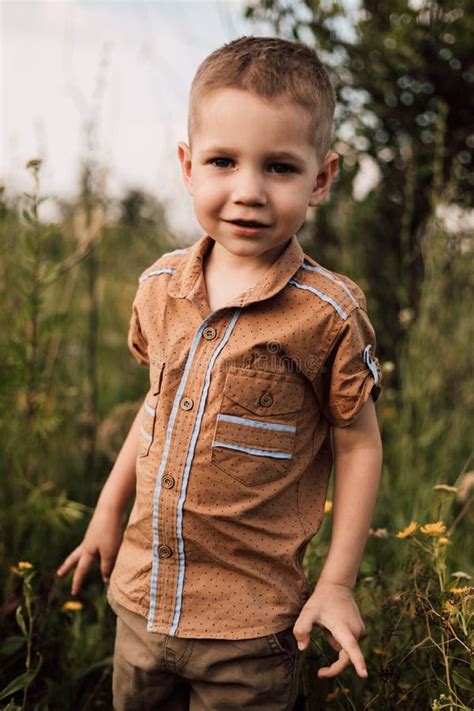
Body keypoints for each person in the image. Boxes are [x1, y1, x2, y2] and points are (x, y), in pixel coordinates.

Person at [56, 35, 383, 710]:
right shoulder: (159, 288)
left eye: (280, 168)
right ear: (188, 164)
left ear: (322, 177)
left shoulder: (328, 315)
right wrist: (104, 514)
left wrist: (338, 582)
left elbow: (358, 443)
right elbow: (156, 409)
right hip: (143, 603)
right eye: (224, 161)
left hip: (251, 627)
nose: (247, 191)